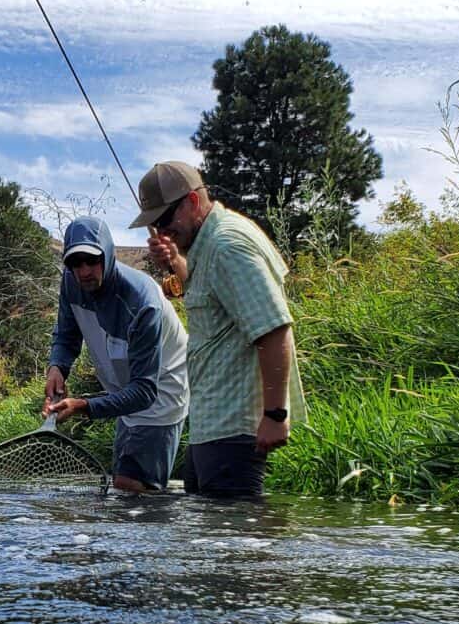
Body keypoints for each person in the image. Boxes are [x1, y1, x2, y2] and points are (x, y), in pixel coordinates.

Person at [130, 161, 306, 497]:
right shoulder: (207, 245)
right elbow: (211, 297)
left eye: (166, 220)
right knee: (212, 542)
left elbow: (274, 329)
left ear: (193, 202)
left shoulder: (228, 246)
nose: (162, 231)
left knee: (241, 546)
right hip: (211, 425)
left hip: (235, 429)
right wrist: (175, 263)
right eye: (154, 224)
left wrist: (275, 413)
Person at [45, 215, 189, 492]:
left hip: (162, 394)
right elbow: (66, 334)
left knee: (131, 486)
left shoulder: (143, 304)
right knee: (123, 486)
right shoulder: (71, 282)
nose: (84, 271)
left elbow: (146, 392)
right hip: (125, 392)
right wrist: (57, 368)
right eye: (75, 263)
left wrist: (83, 406)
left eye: (92, 260)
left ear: (108, 256)